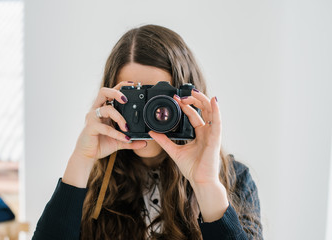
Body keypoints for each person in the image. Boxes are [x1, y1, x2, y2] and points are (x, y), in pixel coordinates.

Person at [32, 24, 263, 240]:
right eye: (136, 97)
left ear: (187, 98)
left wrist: (206, 186)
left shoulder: (234, 180)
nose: (150, 114)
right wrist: (81, 162)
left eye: (159, 98)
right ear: (111, 100)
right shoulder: (89, 183)